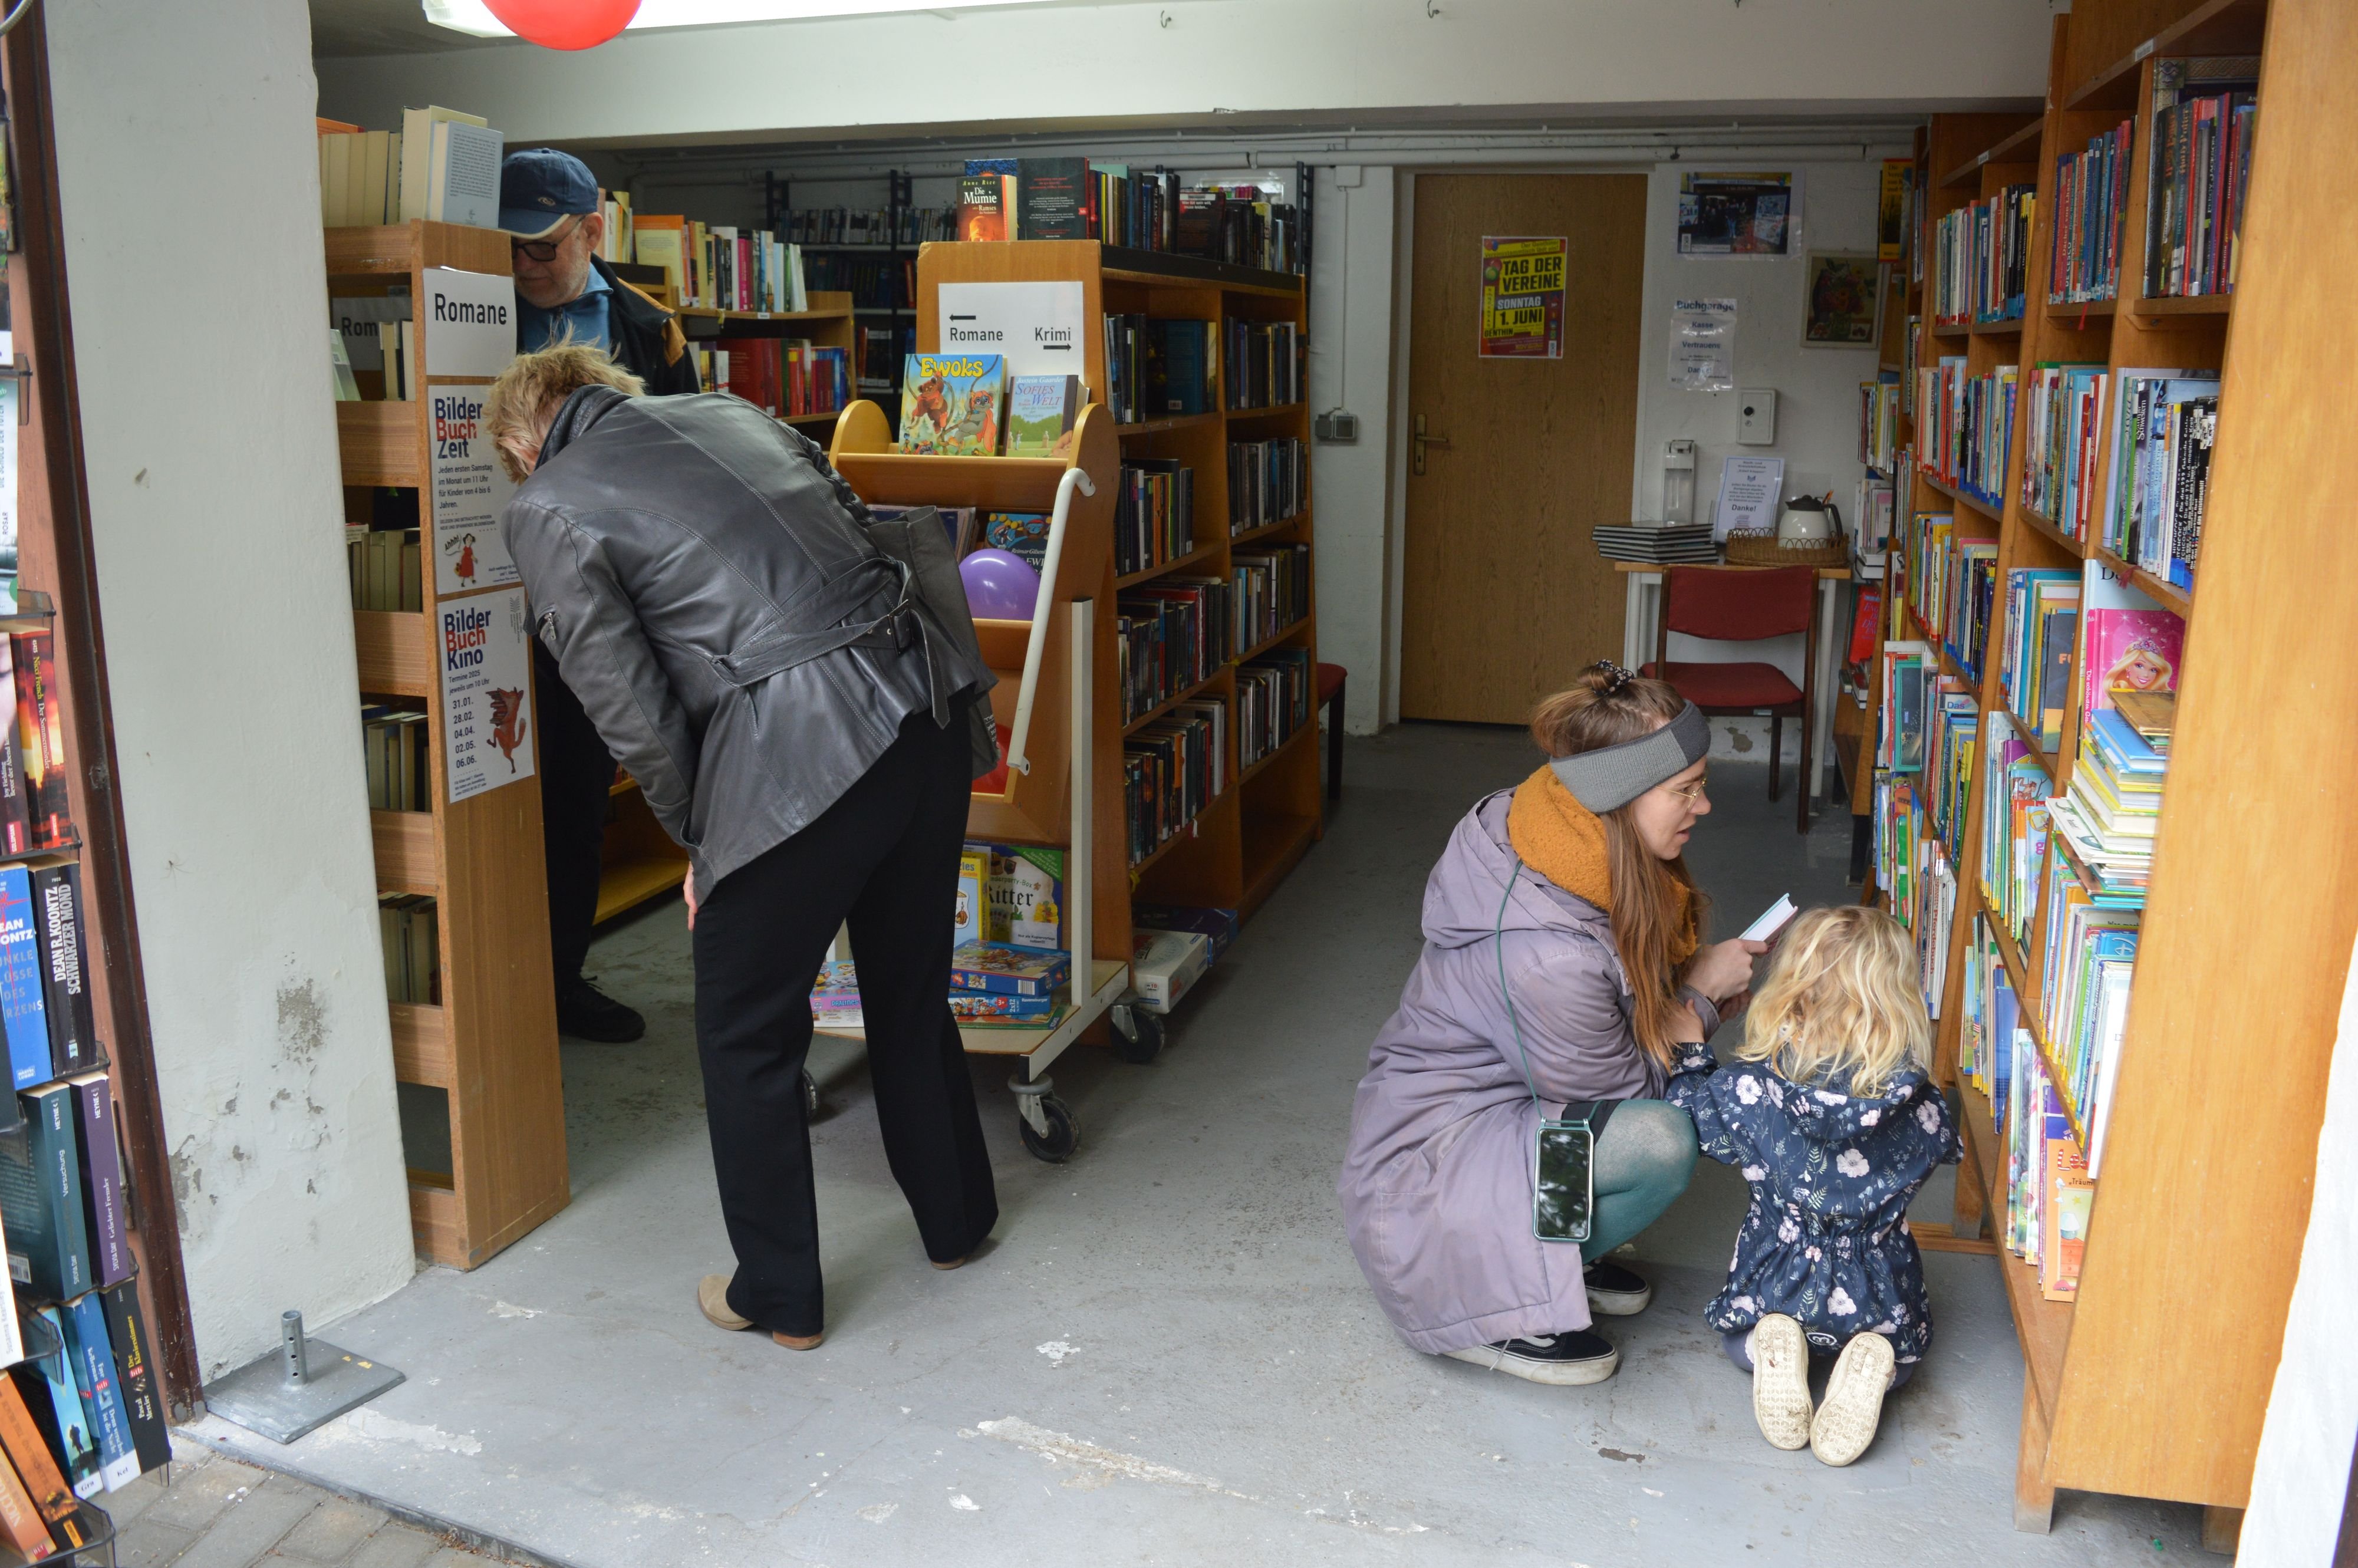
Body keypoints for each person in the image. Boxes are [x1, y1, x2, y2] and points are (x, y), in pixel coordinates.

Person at [483, 342, 999, 1350]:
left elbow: (622, 702)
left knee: (744, 1031)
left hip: (799, 756)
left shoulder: (546, 503)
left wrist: (704, 839)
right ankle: (957, 1224)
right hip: (925, 709)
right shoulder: (734, 411)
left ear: (522, 434)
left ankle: (780, 1295)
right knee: (908, 990)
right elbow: (863, 537)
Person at [1338, 663, 1765, 1386]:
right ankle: (1503, 1304)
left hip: (1499, 1122)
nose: (1705, 805)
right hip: (1433, 1178)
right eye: (1684, 789)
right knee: (1660, 1141)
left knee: (1624, 1138)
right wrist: (1695, 998)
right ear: (1620, 798)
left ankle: (1556, 1254)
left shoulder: (1556, 824)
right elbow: (1625, 1096)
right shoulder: (1548, 956)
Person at [498, 147, 699, 1043]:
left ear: (592, 231)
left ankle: (558, 979)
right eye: (512, 249)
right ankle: (489, 977)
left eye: (544, 248)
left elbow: (688, 463)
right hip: (480, 586)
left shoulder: (651, 329)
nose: (525, 268)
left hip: (595, 594)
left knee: (577, 792)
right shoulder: (463, 307)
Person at [1665, 904, 1960, 1467]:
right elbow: (1944, 1147)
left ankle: (1774, 1339)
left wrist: (1691, 1052)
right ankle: (1874, 1358)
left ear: (1791, 995)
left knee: (1740, 1339)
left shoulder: (1751, 1090)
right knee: (1902, 1356)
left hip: (1776, 1275)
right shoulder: (1921, 1105)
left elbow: (1690, 1118)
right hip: (1879, 1289)